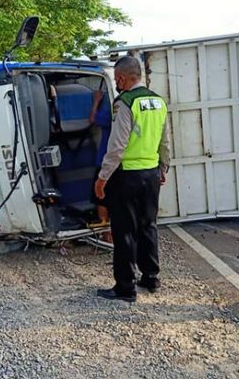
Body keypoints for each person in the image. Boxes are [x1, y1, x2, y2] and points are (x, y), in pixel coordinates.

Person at [94, 56, 170, 302]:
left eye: (117, 79)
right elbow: (164, 140)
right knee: (148, 225)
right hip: (151, 174)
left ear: (123, 78)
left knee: (124, 230)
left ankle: (125, 287)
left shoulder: (124, 102)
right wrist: (163, 167)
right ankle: (151, 277)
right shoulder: (158, 102)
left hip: (126, 174)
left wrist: (103, 177)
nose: (116, 83)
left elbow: (117, 146)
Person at [89, 83, 113, 243]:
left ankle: (106, 234)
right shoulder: (124, 111)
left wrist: (96, 100)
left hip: (104, 160)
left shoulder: (109, 113)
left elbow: (92, 118)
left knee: (101, 195)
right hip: (120, 164)